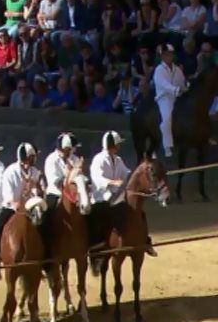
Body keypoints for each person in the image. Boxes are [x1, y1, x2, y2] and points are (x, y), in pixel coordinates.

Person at [87, 131, 157, 262]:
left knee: (139, 212)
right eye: (117, 144)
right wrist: (111, 182)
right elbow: (97, 178)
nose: (119, 147)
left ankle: (145, 240)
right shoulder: (99, 159)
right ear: (110, 144)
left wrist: (137, 175)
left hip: (117, 195)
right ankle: (98, 245)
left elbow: (127, 173)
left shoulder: (118, 160)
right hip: (102, 198)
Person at [0, 143, 42, 281]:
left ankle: (44, 263)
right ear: (27, 157)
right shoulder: (10, 172)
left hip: (31, 207)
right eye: (33, 156)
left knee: (44, 226)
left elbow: (40, 192)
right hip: (11, 207)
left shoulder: (35, 172)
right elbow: (8, 195)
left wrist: (35, 187)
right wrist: (17, 201)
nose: (35, 159)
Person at [40, 132, 81, 276]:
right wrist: (69, 177)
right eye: (71, 148)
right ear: (65, 148)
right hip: (55, 194)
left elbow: (80, 177)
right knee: (45, 219)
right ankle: (45, 254)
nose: (74, 151)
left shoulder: (74, 159)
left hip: (74, 194)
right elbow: (55, 181)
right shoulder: (51, 160)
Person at [152, 43, 187, 157]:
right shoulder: (159, 70)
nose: (169, 56)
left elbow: (182, 82)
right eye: (166, 54)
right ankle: (167, 146)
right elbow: (164, 85)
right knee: (166, 119)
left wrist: (186, 87)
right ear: (162, 56)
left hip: (177, 97)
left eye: (170, 54)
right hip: (164, 98)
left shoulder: (177, 69)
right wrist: (175, 90)